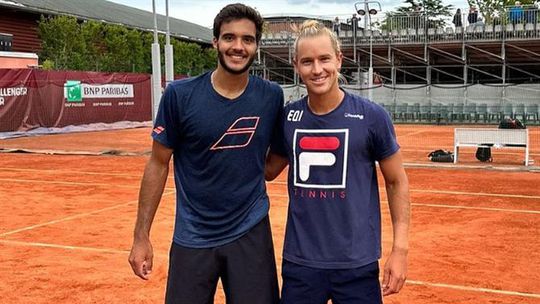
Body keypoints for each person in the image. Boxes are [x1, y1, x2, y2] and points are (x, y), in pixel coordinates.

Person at [128, 3, 282, 304]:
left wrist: (256, 170)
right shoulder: (179, 95)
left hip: (250, 231)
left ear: (256, 46)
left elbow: (278, 156)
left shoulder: (270, 96)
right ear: (215, 42)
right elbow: (158, 163)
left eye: (247, 40)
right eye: (229, 38)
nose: (238, 47)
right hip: (192, 235)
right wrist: (140, 235)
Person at [265, 20, 410, 303]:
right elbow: (269, 170)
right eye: (307, 61)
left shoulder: (372, 117)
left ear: (339, 60)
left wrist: (400, 250)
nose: (317, 70)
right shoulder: (288, 118)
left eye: (324, 59)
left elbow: (397, 181)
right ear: (296, 65)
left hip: (357, 263)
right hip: (301, 263)